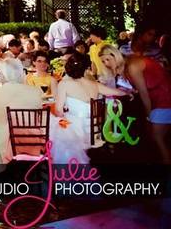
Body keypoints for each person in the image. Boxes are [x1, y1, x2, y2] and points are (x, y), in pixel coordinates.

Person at [48, 54, 127, 164]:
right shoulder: (94, 84)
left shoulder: (64, 84)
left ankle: (65, 170)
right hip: (94, 129)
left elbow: (58, 110)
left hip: (75, 129)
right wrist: (130, 92)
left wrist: (63, 121)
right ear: (86, 68)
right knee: (59, 125)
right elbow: (118, 92)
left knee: (55, 126)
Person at [0, 59, 43, 169]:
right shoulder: (36, 92)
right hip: (32, 146)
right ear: (21, 73)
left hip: (3, 151)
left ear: (0, 74)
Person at [125, 25, 171, 164]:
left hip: (161, 98)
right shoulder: (130, 56)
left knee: (157, 138)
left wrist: (148, 114)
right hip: (157, 98)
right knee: (157, 137)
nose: (152, 38)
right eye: (149, 34)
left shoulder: (146, 57)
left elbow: (145, 90)